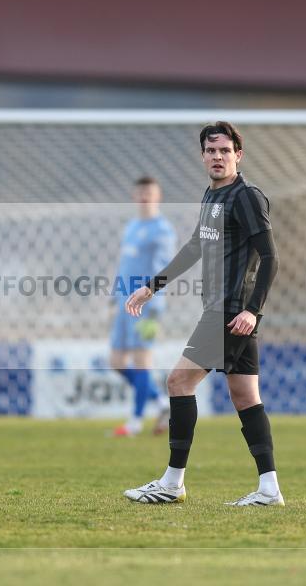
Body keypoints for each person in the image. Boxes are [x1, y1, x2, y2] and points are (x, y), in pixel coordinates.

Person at [122, 121, 283, 506]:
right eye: (211, 151)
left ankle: (172, 483)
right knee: (245, 396)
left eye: (225, 151)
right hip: (224, 311)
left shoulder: (246, 197)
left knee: (178, 382)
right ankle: (269, 489)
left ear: (238, 155)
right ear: (202, 155)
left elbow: (271, 257)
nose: (217, 157)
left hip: (230, 312)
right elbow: (196, 247)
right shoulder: (212, 197)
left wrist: (252, 312)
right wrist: (152, 286)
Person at [109, 177, 175, 436]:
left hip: (147, 304)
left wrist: (155, 298)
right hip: (124, 302)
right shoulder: (132, 226)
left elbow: (165, 268)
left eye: (149, 192)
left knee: (141, 360)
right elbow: (124, 265)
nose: (144, 196)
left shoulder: (163, 230)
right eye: (140, 192)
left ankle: (135, 422)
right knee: (115, 361)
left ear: (158, 195)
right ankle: (160, 402)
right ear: (135, 195)